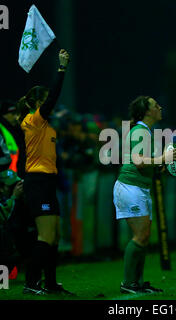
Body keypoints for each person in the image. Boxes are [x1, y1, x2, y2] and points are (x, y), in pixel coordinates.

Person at [16, 49, 73, 296]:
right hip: (37, 181)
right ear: (36, 103)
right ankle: (31, 282)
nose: (50, 104)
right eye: (45, 100)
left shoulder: (45, 125)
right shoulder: (32, 120)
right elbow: (52, 101)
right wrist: (61, 69)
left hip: (47, 181)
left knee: (56, 236)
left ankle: (50, 284)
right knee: (46, 236)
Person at [113, 96, 176, 294]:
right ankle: (128, 283)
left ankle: (137, 283)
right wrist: (162, 158)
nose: (160, 107)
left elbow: (145, 163)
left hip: (138, 188)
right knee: (140, 236)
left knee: (144, 237)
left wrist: (160, 165)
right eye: (155, 105)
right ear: (148, 112)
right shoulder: (140, 131)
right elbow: (138, 161)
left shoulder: (145, 131)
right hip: (130, 187)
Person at [0, 99, 26, 178]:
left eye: (16, 113)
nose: (16, 117)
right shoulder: (2, 131)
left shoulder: (16, 129)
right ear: (4, 114)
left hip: (15, 175)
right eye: (12, 113)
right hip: (7, 177)